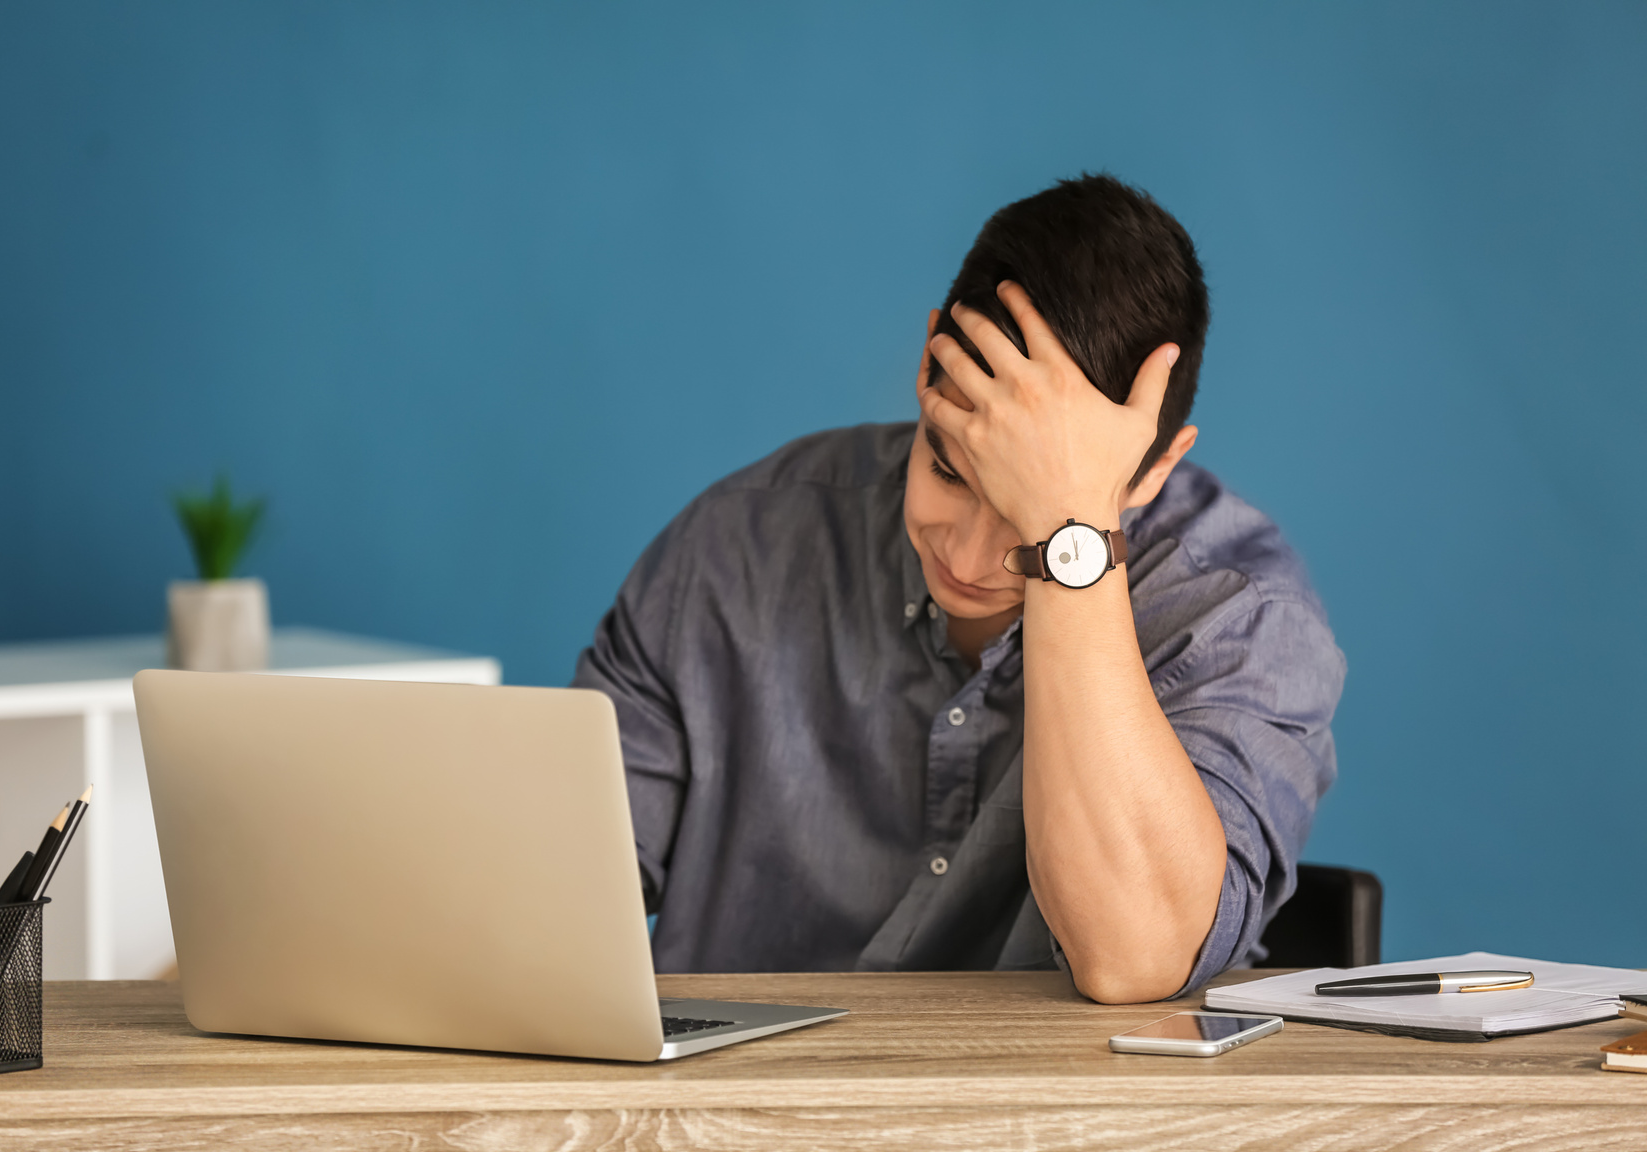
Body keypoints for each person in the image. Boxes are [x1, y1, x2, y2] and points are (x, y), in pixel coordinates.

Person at [572, 174, 1344, 1003]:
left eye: (1021, 517)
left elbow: (1137, 957)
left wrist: (1068, 535)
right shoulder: (733, 549)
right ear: (928, 368)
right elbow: (558, 898)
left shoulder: (1240, 620)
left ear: (1156, 466)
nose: (971, 558)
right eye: (948, 468)